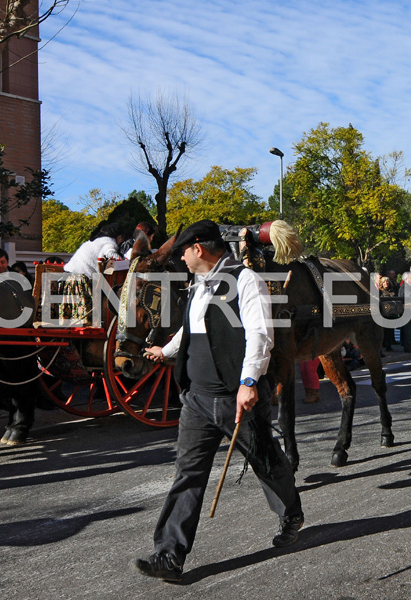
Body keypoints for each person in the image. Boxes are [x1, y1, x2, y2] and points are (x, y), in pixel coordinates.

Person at [131, 220, 303, 582]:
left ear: (198, 249)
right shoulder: (198, 284)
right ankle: (169, 555)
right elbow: (192, 327)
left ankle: (291, 513)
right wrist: (168, 350)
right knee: (188, 473)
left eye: (183, 251)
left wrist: (249, 381)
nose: (180, 257)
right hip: (196, 398)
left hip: (234, 397)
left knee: (266, 460)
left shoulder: (246, 280)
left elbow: (260, 334)